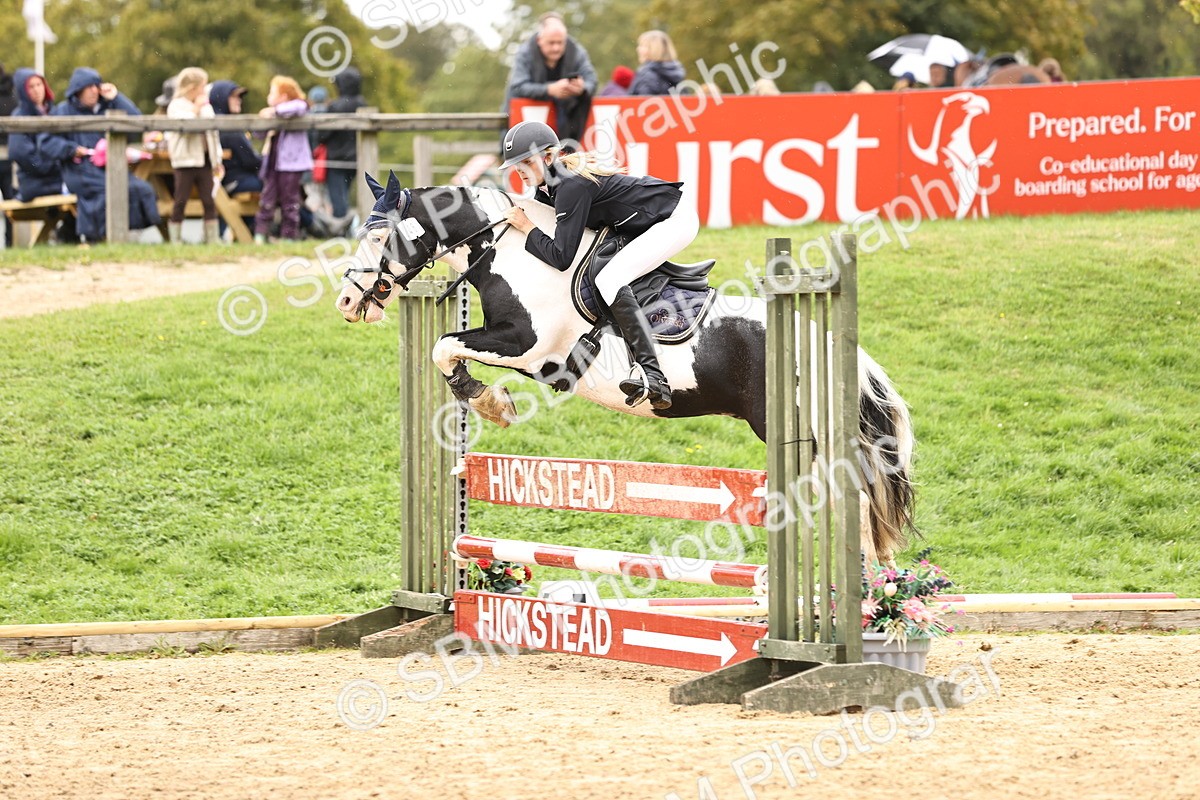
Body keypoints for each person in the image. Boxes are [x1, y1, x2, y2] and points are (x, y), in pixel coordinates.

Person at [499, 121, 697, 410]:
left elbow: (560, 257)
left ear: (550, 157)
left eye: (527, 162)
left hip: (673, 220)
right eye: (517, 165)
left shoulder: (570, 185)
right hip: (645, 222)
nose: (520, 171)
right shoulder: (549, 188)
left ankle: (653, 375)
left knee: (610, 279)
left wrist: (528, 227)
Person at [38, 67, 159, 243]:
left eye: (97, 86)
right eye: (89, 86)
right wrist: (71, 149)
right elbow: (46, 142)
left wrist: (117, 97)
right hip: (79, 170)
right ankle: (96, 238)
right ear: (78, 90)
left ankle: (127, 235)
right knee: (105, 191)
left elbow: (136, 121)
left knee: (140, 189)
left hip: (110, 167)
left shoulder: (109, 106)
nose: (94, 90)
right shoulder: (63, 111)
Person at [503, 12, 596, 143]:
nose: (556, 48)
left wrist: (581, 88)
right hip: (524, 126)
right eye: (551, 43)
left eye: (560, 43)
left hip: (567, 128)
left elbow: (592, 81)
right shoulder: (524, 53)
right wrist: (549, 90)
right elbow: (518, 87)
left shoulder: (576, 51)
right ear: (539, 40)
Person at [164, 67, 223, 244]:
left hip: (205, 160)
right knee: (181, 199)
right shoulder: (176, 106)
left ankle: (211, 238)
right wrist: (196, 109)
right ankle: (176, 238)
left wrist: (216, 159)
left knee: (209, 200)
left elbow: (213, 133)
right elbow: (186, 129)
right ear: (192, 87)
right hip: (185, 161)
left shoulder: (206, 107)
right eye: (202, 87)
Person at [253, 75, 312, 243]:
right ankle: (260, 234)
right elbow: (258, 133)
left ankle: (289, 236)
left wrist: (274, 111)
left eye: (272, 93)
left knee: (290, 201)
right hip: (273, 164)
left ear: (284, 96)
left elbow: (300, 106)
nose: (268, 97)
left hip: (291, 164)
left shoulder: (296, 109)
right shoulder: (273, 115)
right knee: (267, 199)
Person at [317, 67, 365, 221]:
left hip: (336, 160)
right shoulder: (362, 104)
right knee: (347, 196)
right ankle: (349, 225)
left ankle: (341, 228)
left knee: (338, 199)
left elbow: (322, 135)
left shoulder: (335, 106)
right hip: (356, 159)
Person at [627, 30, 685, 96]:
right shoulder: (676, 72)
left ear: (654, 50)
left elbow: (643, 103)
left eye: (643, 46)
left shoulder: (647, 75)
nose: (638, 49)